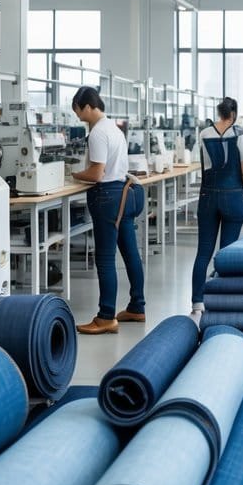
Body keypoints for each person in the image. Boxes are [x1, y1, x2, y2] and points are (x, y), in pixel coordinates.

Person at [71, 86, 146, 334]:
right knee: (130, 253)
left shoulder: (97, 133)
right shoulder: (114, 129)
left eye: (79, 110)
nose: (78, 116)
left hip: (106, 197)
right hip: (123, 194)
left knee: (104, 259)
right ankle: (137, 306)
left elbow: (96, 173)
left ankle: (106, 316)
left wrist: (73, 174)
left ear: (89, 106)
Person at [191, 97, 243, 320]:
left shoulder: (203, 134)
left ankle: (197, 303)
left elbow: (202, 164)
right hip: (232, 197)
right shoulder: (239, 135)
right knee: (226, 253)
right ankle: (222, 301)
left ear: (219, 113)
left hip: (208, 195)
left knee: (203, 252)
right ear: (234, 114)